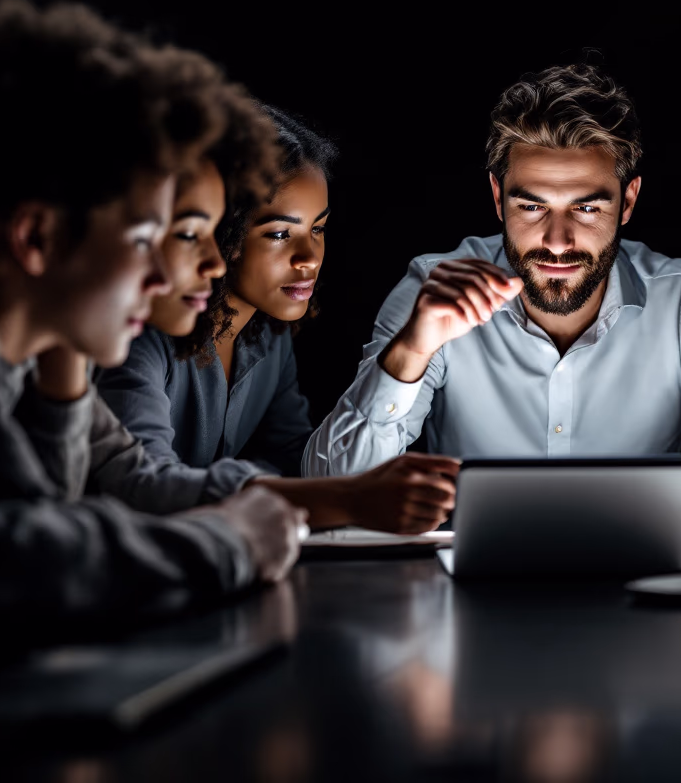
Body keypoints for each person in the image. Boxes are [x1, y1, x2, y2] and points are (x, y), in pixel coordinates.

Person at [304, 64, 681, 550]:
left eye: (587, 207)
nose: (556, 241)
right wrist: (411, 351)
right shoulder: (433, 288)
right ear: (496, 196)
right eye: (531, 206)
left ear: (629, 200)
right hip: (466, 591)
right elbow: (331, 485)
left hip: (639, 586)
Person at [0, 0, 305, 633]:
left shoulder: (4, 358)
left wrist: (63, 373)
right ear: (36, 239)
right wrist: (231, 543)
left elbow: (28, 521)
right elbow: (15, 566)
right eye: (145, 239)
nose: (163, 274)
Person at [97, 107, 459, 534]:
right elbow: (141, 487)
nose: (309, 258)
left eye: (318, 229)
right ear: (221, 228)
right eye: (278, 234)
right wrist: (348, 498)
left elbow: (295, 464)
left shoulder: (267, 335)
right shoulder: (139, 335)